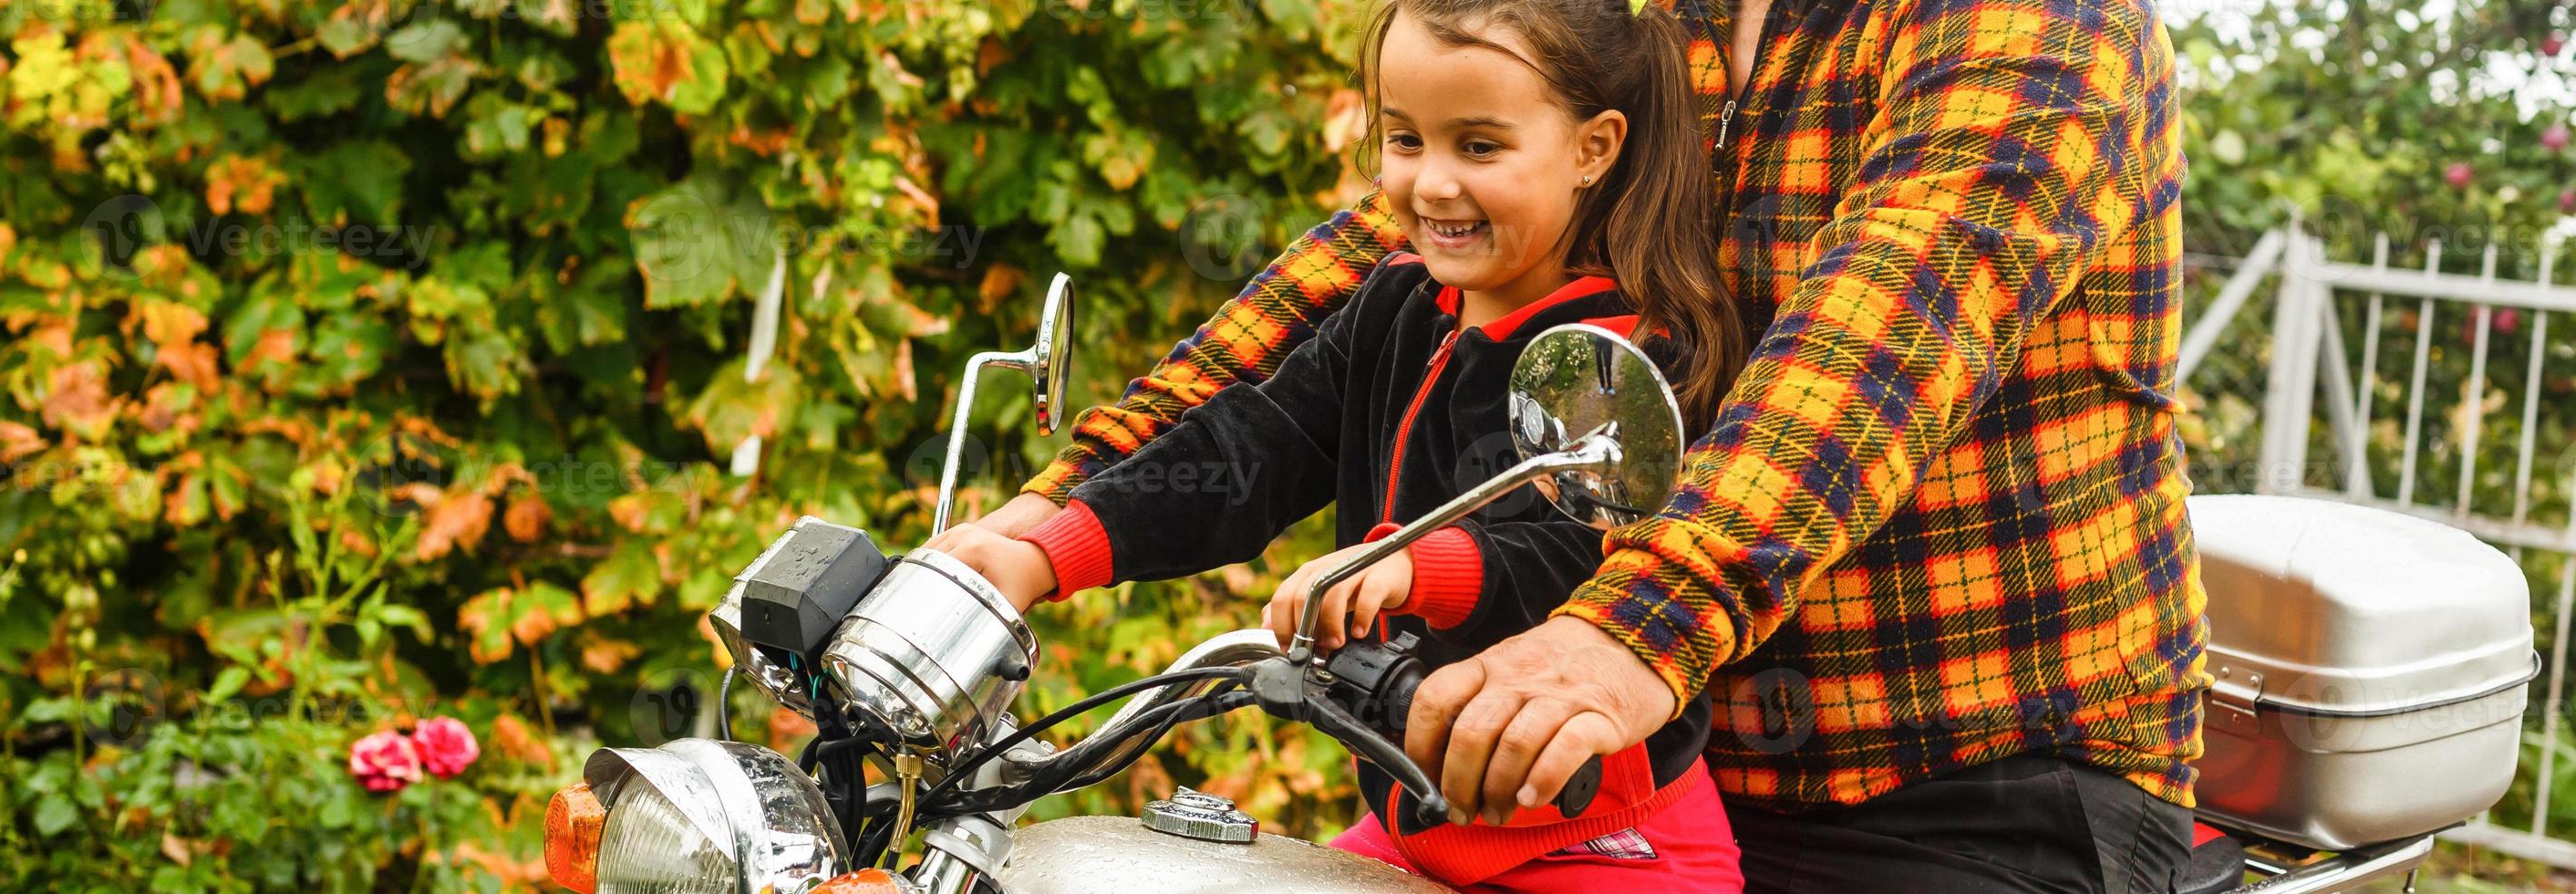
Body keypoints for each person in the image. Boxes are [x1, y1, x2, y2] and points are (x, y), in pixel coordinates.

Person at [963, 0, 2207, 889]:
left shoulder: (2034, 24)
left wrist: (1626, 629)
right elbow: (1367, 271)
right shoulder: (1642, 25)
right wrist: (1046, 523)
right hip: (1620, 760)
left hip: (1963, 790)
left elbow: (1890, 321)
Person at [930, 2, 1747, 889]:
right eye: (1404, 140)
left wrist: (1409, 567)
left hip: (1596, 842)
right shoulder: (1395, 304)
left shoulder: (1613, 349)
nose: (1431, 183)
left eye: (1477, 146)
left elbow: (1583, 555)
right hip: (1420, 820)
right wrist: (1047, 553)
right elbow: (1252, 449)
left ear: (1592, 148)